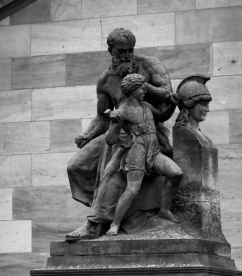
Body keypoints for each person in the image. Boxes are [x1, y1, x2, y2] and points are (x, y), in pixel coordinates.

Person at [66, 28, 178, 241]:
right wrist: (87, 136)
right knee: (75, 166)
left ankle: (95, 222)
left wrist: (142, 86)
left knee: (113, 157)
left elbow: (167, 92)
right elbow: (102, 117)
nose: (127, 55)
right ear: (111, 50)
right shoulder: (106, 79)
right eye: (121, 51)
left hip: (150, 132)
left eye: (130, 50)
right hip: (118, 127)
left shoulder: (149, 65)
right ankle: (106, 209)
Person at [101, 74, 182, 236]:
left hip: (153, 150)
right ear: (132, 90)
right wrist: (115, 124)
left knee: (176, 174)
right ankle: (115, 224)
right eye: (142, 89)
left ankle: (164, 210)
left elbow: (161, 116)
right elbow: (110, 140)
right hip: (136, 152)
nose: (145, 91)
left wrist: (173, 105)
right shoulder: (122, 111)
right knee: (132, 190)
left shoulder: (145, 105)